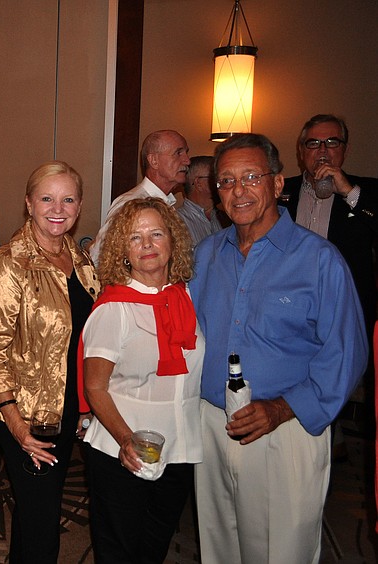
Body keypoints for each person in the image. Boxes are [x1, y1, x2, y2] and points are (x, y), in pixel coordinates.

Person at [190, 133, 367, 563]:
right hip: (211, 426)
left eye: (251, 177)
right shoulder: (205, 255)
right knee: (218, 548)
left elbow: (346, 355)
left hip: (286, 430)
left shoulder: (319, 259)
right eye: (226, 181)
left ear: (277, 183)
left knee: (282, 551)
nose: (238, 191)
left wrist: (282, 408)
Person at [0, 161, 99, 563]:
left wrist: (86, 407)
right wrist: (16, 424)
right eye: (47, 198)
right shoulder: (8, 263)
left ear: (79, 206)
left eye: (68, 199)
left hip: (68, 409)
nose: (57, 209)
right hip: (27, 415)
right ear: (29, 204)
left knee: (37, 514)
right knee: (42, 521)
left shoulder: (81, 261)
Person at [79, 197, 202, 563]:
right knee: (119, 553)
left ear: (172, 242)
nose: (147, 244)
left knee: (154, 548)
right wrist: (125, 439)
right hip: (122, 452)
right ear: (123, 251)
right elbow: (94, 386)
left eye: (156, 234)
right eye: (135, 237)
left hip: (178, 448)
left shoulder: (186, 297)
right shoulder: (114, 309)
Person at [280, 114, 378, 447]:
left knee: (335, 382)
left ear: (344, 150)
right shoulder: (282, 190)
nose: (322, 150)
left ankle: (329, 450)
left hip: (344, 313)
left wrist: (348, 191)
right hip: (289, 311)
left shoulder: (365, 191)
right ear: (301, 151)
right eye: (314, 143)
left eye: (332, 142)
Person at [90, 130, 190, 263]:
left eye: (186, 153)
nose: (187, 161)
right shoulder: (129, 204)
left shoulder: (168, 203)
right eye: (178, 153)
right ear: (154, 160)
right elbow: (99, 258)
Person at [177, 155, 223, 247]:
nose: (221, 182)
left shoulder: (225, 217)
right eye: (216, 178)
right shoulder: (177, 222)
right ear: (199, 183)